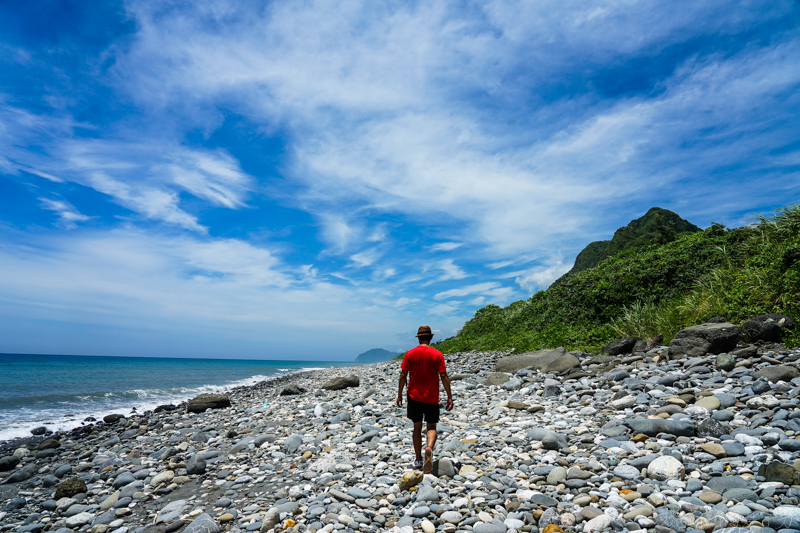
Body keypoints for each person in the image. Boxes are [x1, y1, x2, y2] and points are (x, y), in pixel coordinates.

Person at [396, 325, 453, 473]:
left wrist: (399, 394)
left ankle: (418, 459)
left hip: (414, 396)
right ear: (431, 338)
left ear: (419, 338)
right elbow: (444, 376)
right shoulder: (437, 354)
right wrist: (449, 397)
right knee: (431, 426)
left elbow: (403, 375)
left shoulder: (410, 354)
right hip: (432, 396)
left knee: (417, 426)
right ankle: (428, 448)